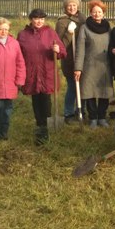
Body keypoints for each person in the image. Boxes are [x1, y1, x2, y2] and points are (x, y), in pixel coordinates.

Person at [17, 9, 67, 145]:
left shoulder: (50, 33)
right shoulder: (22, 35)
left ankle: (46, 124)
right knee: (35, 98)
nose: (39, 21)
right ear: (31, 19)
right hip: (32, 72)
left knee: (45, 98)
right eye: (36, 18)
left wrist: (58, 50)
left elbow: (62, 52)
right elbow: (18, 55)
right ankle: (39, 124)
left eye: (42, 19)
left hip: (47, 72)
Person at [74, 0, 114, 128]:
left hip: (105, 65)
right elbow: (80, 49)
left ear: (103, 13)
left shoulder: (108, 27)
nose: (97, 14)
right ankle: (93, 118)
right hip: (89, 66)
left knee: (104, 92)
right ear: (90, 13)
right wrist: (78, 68)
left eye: (99, 12)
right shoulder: (84, 28)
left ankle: (102, 117)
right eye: (94, 12)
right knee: (89, 91)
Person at [55, 0, 86, 124]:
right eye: (69, 5)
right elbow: (60, 43)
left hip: (82, 58)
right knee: (72, 86)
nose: (72, 7)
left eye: (74, 5)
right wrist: (69, 32)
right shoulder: (61, 22)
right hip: (69, 59)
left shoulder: (83, 19)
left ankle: (81, 110)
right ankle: (68, 113)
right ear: (65, 7)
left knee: (83, 86)